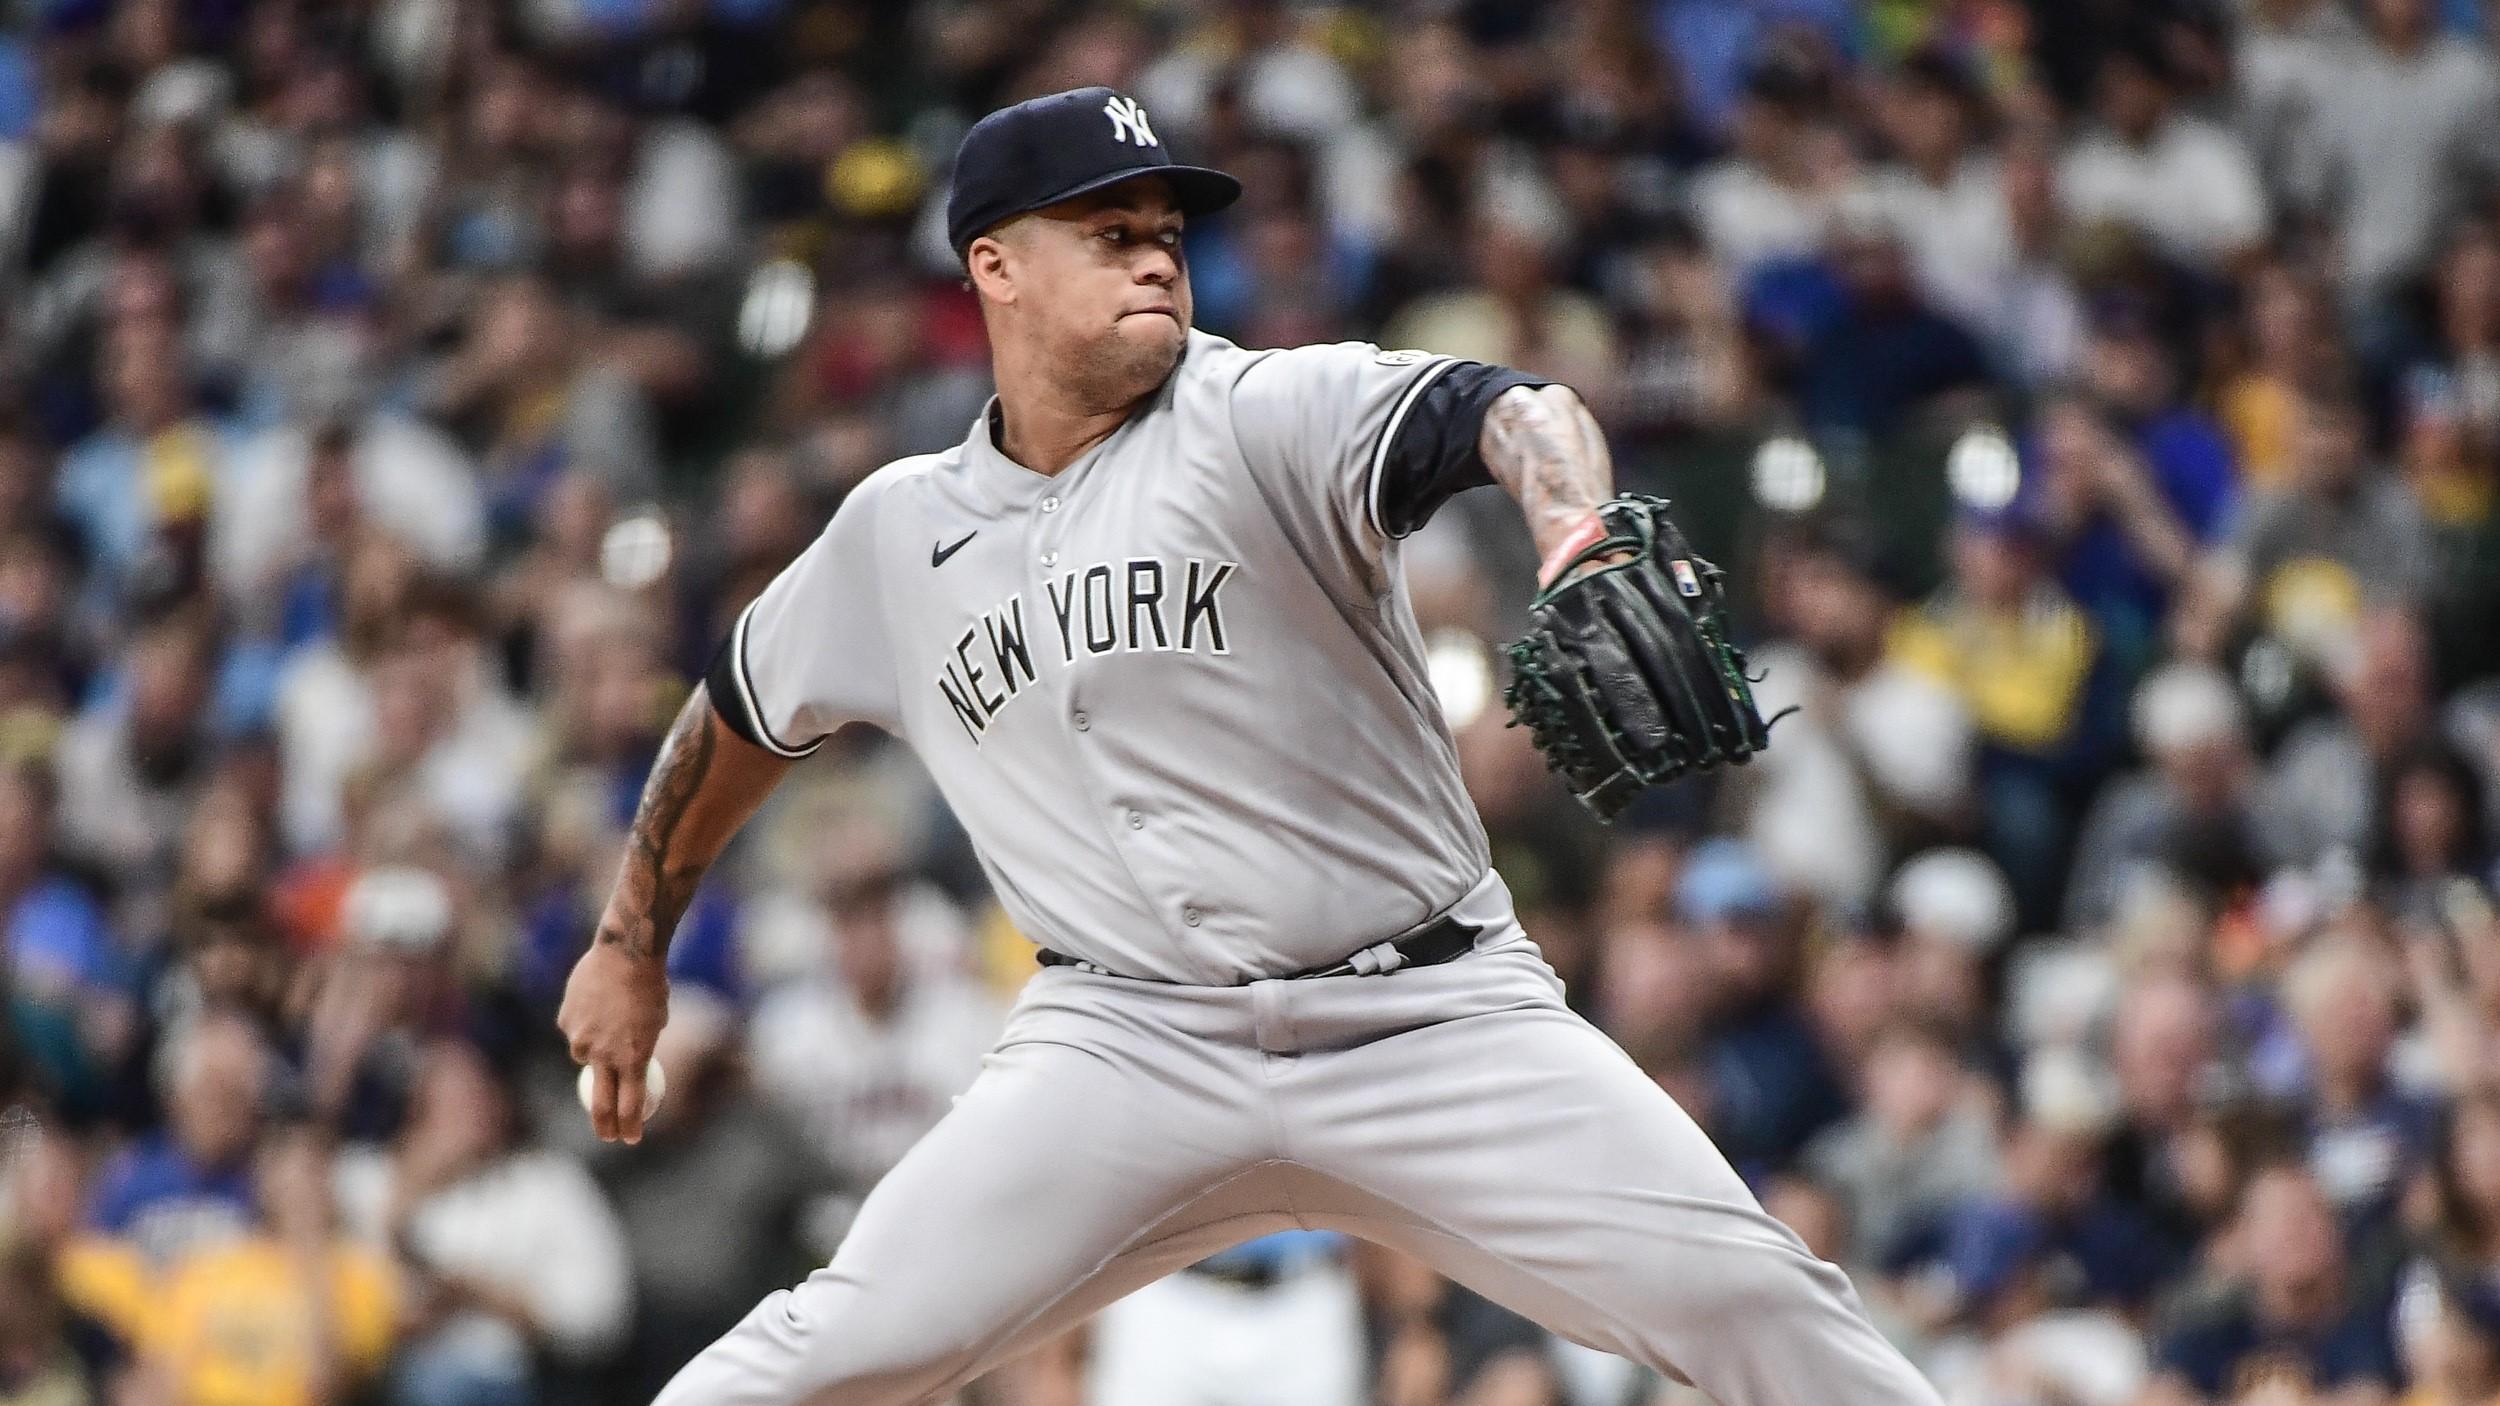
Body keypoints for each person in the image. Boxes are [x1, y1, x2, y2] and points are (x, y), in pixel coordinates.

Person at [557, 87, 1943, 1406]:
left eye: (1168, 234)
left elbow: (1510, 409)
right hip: (1124, 1045)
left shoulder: (1261, 413)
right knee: (803, 1361)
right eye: (1111, 235)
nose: (1158, 260)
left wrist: (1573, 525)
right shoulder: (895, 533)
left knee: (1765, 1312)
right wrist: (630, 943)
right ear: (995, 267)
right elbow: (736, 714)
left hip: (1426, 1017)